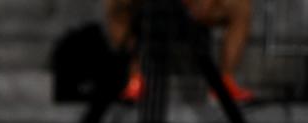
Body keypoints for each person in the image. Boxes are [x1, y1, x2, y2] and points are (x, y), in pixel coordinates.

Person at [105, 0, 254, 103]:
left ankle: (225, 82)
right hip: (147, 7)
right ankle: (134, 79)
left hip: (191, 7)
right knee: (116, 5)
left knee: (239, 5)